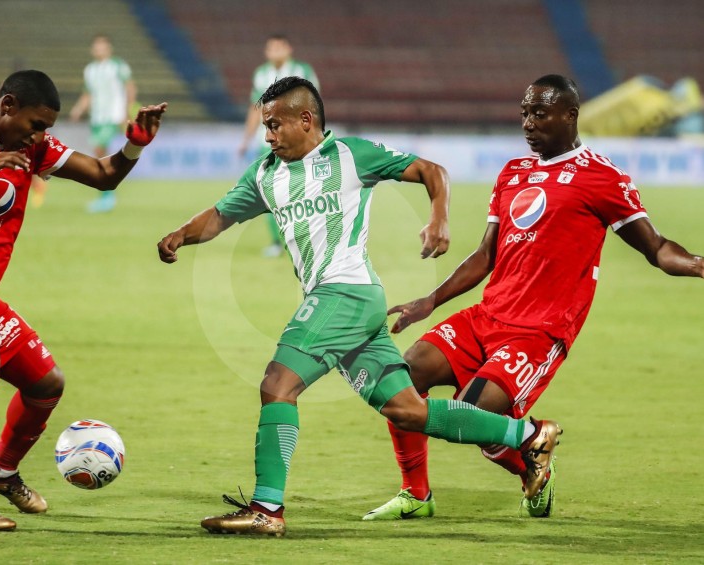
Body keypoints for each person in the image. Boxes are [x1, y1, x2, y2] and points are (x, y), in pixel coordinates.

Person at [157, 76, 561, 537]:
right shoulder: (265, 174)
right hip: (351, 306)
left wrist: (438, 220)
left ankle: (266, 509)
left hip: (343, 294)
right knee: (407, 410)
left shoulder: (350, 156)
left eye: (274, 125)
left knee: (277, 386)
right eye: (264, 126)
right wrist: (181, 236)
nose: (267, 135)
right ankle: (528, 436)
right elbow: (220, 214)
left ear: (305, 120)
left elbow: (431, 171)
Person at [363, 74, 704, 521]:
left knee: (472, 420)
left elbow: (657, 248)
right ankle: (417, 493)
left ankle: (530, 455)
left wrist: (698, 263)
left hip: (537, 332)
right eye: (525, 113)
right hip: (486, 316)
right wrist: (430, 300)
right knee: (403, 380)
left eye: (540, 113)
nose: (528, 123)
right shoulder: (512, 173)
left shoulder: (602, 178)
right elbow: (486, 254)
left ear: (570, 115)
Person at [0, 69, 165, 530]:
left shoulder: (29, 146)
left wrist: (134, 144)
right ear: (8, 105)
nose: (41, 136)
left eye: (47, 129)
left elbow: (102, 175)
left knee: (46, 384)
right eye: (37, 125)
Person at [238, 34, 320, 258]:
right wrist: (246, 138)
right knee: (269, 193)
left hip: (298, 142)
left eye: (278, 48)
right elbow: (256, 107)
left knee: (303, 191)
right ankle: (278, 241)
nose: (274, 52)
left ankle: (307, 238)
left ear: (288, 49)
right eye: (270, 49)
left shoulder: (302, 71)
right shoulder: (261, 74)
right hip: (267, 143)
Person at [69, 34, 137, 213]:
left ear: (109, 48)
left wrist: (126, 112)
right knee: (99, 154)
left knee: (99, 148)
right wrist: (78, 109)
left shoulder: (118, 66)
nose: (99, 49)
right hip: (97, 117)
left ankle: (108, 195)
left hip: (112, 115)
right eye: (96, 46)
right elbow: (88, 94)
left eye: (102, 46)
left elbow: (130, 88)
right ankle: (106, 191)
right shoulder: (90, 70)